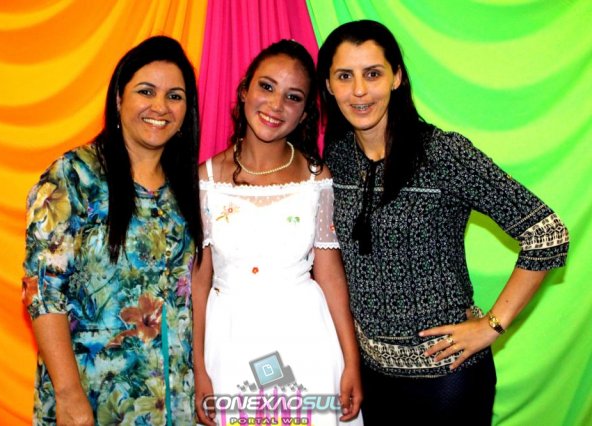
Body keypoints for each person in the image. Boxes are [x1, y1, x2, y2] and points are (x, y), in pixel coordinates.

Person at [316, 20, 569, 424]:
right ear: (329, 85)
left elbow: (547, 235)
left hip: (448, 380)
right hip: (373, 379)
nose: (359, 90)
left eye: (373, 74)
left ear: (397, 77)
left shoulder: (442, 153)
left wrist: (491, 326)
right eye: (345, 76)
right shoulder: (337, 158)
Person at [22, 35, 202, 425]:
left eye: (174, 96)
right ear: (119, 98)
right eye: (146, 91)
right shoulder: (75, 176)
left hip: (175, 402)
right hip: (93, 399)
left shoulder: (189, 189)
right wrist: (69, 395)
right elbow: (42, 291)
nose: (160, 106)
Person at [192, 40, 363, 426]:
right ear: (244, 90)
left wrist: (351, 361)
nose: (275, 105)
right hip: (229, 341)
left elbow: (330, 275)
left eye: (292, 97)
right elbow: (199, 281)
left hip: (306, 338)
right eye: (266, 87)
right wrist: (199, 367)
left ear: (304, 114)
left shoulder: (317, 178)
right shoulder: (206, 180)